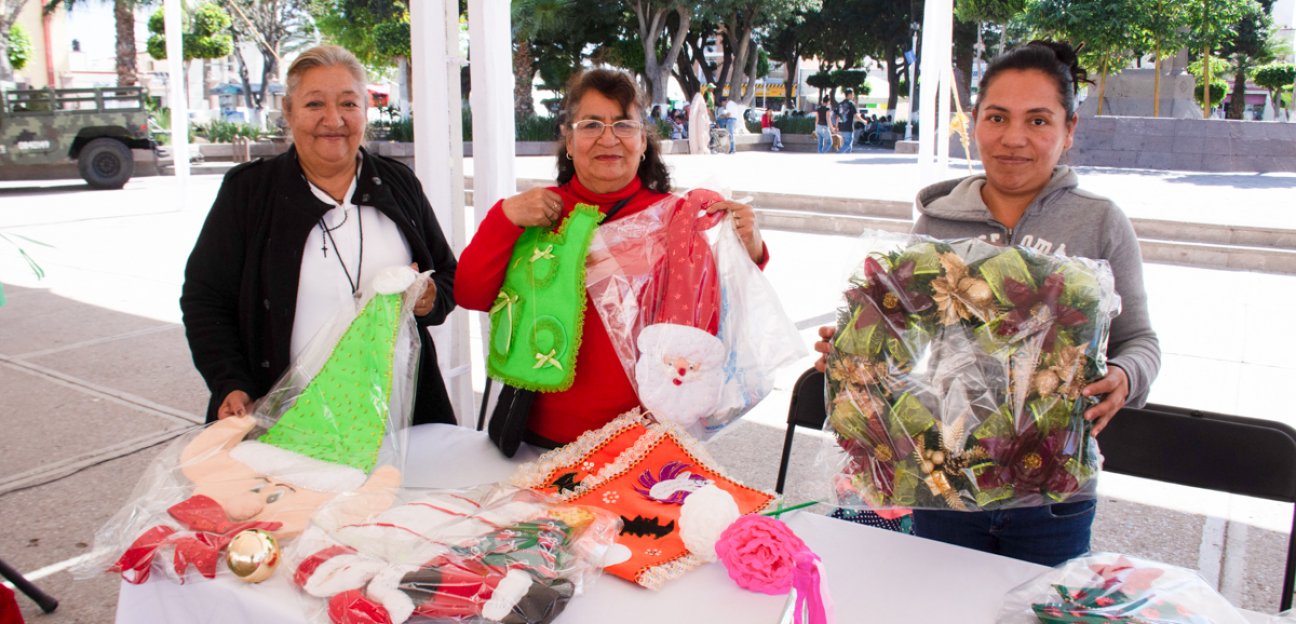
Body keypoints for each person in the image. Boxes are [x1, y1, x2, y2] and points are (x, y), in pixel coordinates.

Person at [813, 40, 1160, 566]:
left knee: (1038, 604)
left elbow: (1141, 340)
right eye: (997, 117)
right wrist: (852, 357)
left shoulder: (1100, 222)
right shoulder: (937, 222)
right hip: (946, 475)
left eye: (1038, 121)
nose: (1014, 138)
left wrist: (1126, 377)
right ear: (973, 123)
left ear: (1069, 131)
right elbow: (902, 332)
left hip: (1054, 489)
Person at [456, 68, 768, 448]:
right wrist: (502, 218)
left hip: (640, 450)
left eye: (623, 125)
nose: (608, 138)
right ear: (568, 141)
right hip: (539, 445)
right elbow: (470, 293)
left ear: (642, 141)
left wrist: (748, 249)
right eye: (591, 125)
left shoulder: (675, 220)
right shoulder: (537, 212)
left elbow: (716, 318)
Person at [180, 45, 458, 426]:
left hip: (398, 418)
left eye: (348, 103)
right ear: (289, 112)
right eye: (314, 105)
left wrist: (428, 298)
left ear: (365, 110)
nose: (334, 119)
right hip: (286, 421)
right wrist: (230, 382)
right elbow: (205, 298)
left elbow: (446, 274)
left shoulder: (398, 183)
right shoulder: (249, 192)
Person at [835, 88, 862, 154]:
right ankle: (837, 154)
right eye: (852, 94)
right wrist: (863, 121)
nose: (853, 96)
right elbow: (856, 115)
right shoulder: (851, 103)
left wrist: (836, 126)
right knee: (848, 144)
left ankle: (846, 158)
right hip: (848, 127)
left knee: (848, 145)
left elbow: (837, 116)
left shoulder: (840, 104)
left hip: (841, 127)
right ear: (849, 95)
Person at [688, 88, 712, 155]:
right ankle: (701, 147)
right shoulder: (700, 115)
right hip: (701, 125)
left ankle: (703, 147)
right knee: (701, 135)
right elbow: (700, 131)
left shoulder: (703, 114)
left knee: (704, 135)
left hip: (704, 126)